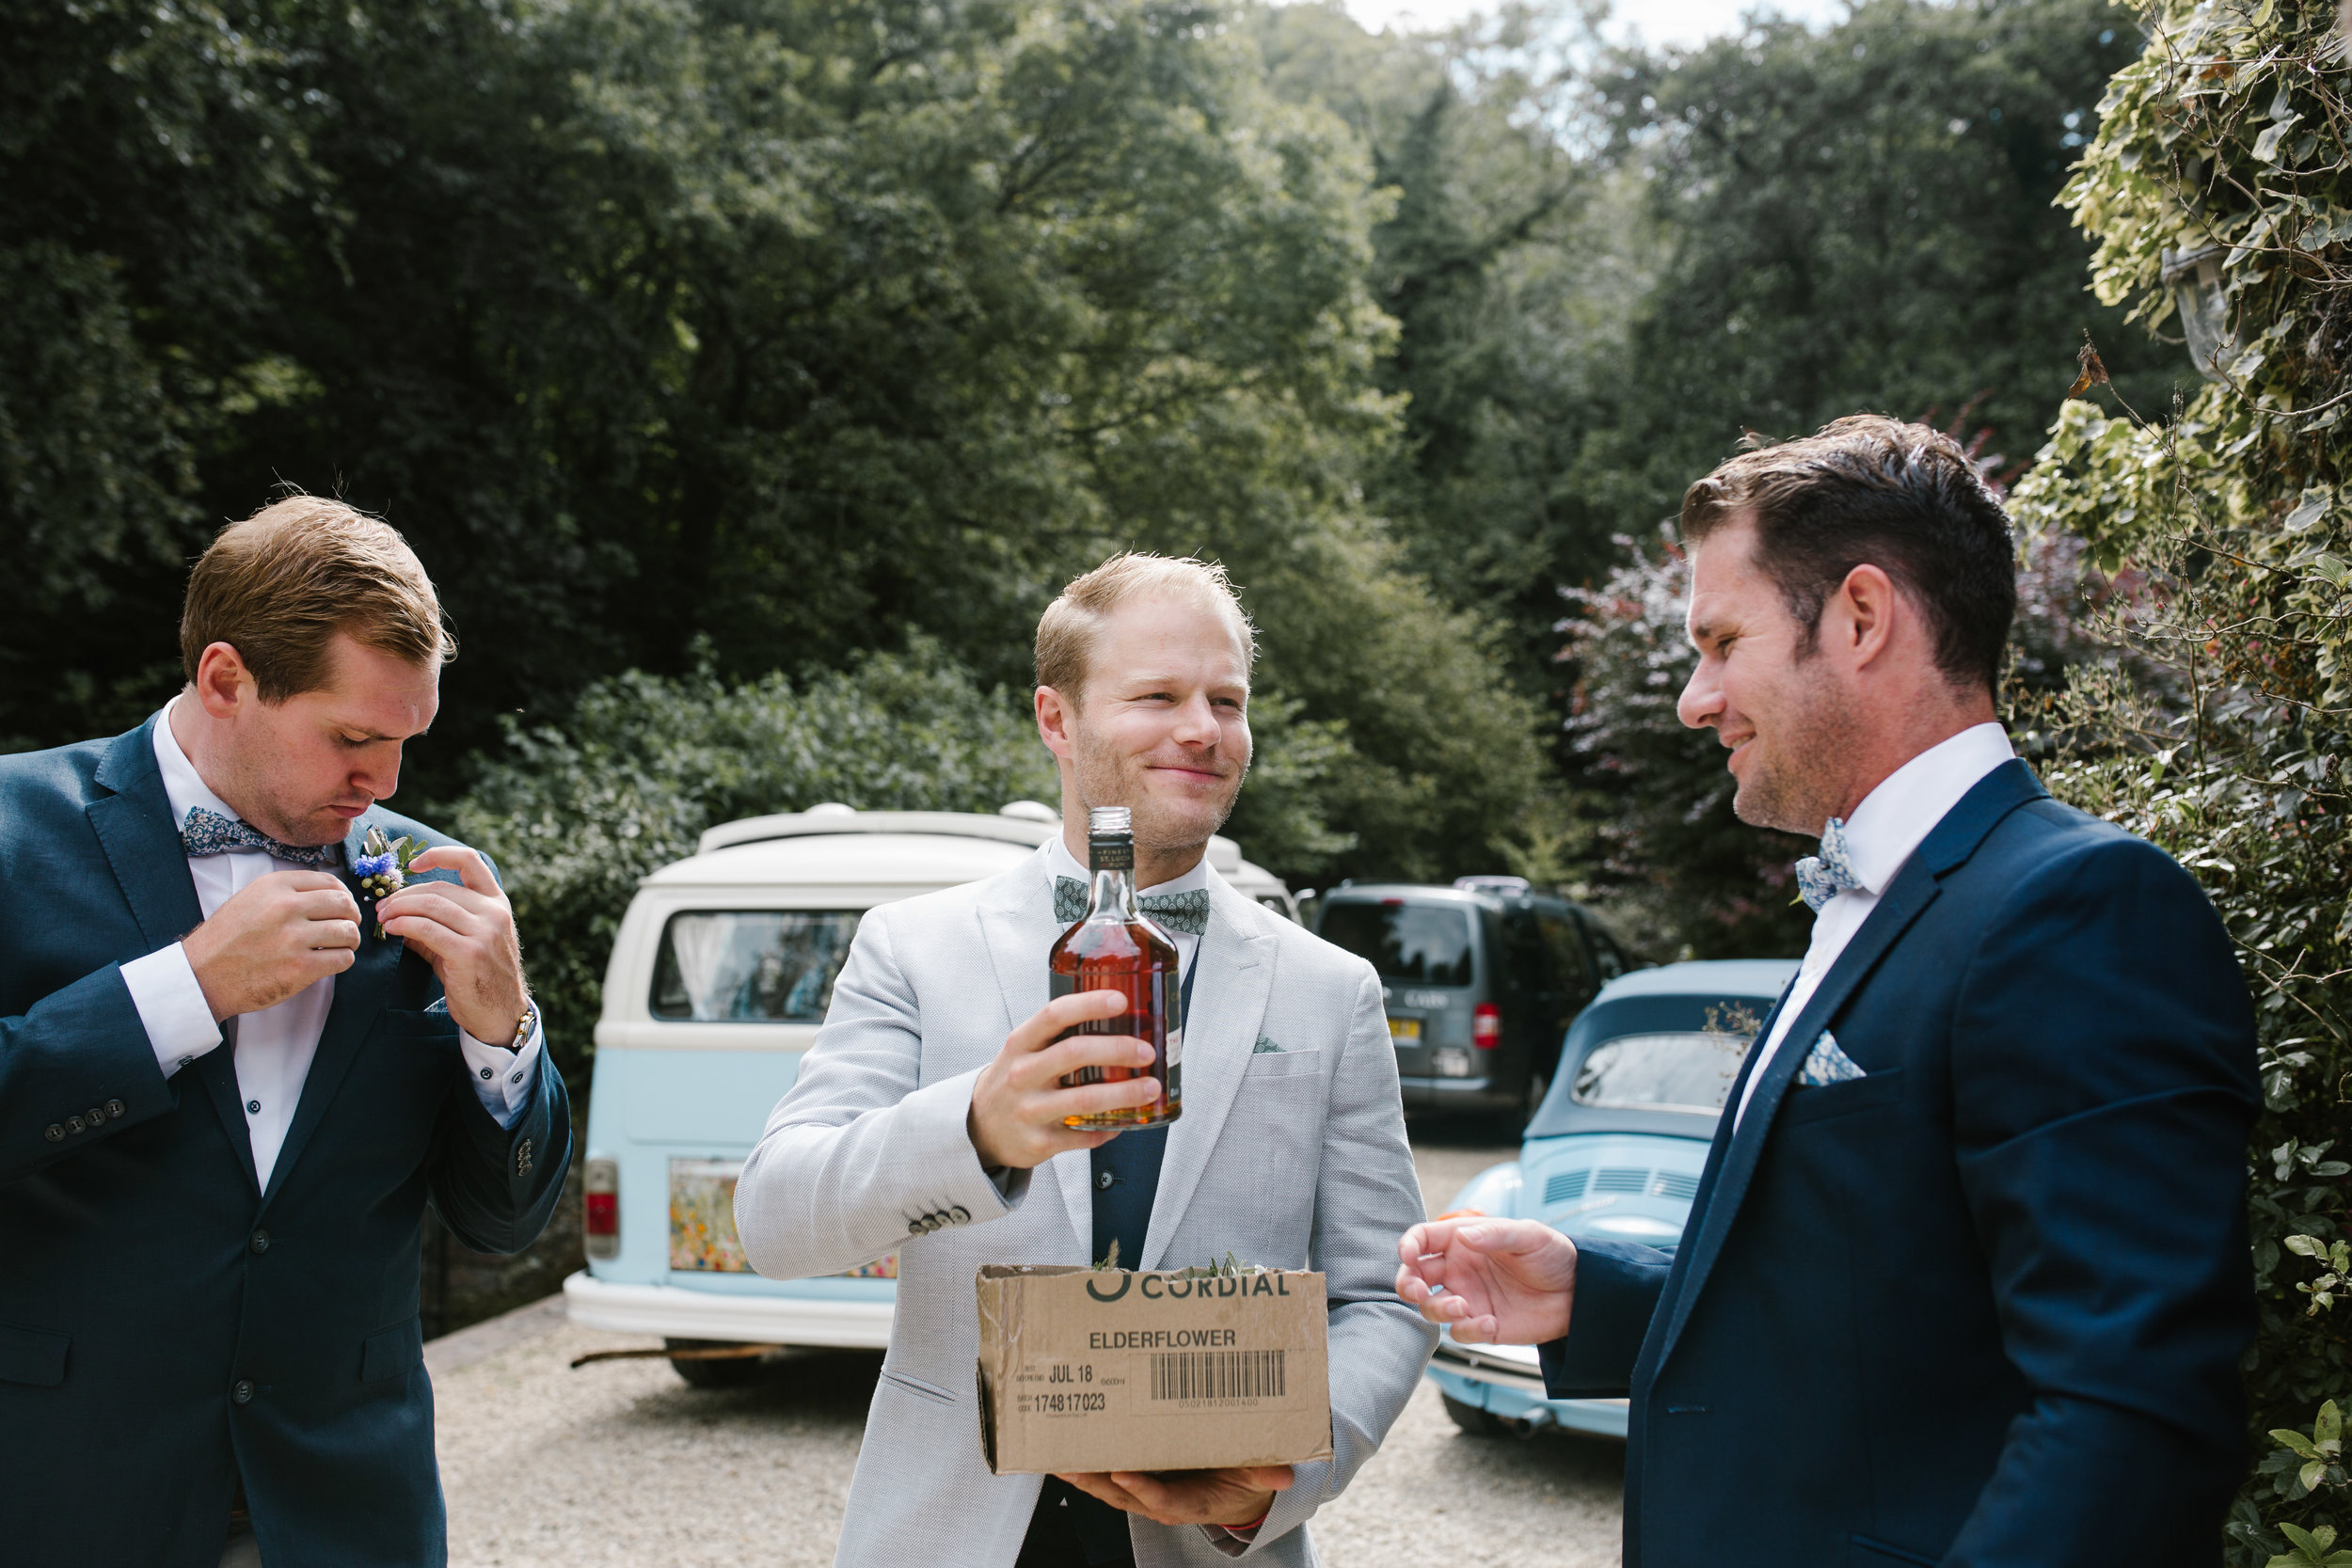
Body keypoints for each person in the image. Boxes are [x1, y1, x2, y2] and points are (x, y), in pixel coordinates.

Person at [1398, 417, 2260, 1566]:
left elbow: (2128, 1415)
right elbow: (1888, 1304)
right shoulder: (1867, 901)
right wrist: (1592, 1292)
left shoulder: (2079, 907)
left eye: (1719, 641)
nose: (1693, 699)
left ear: (1860, 616)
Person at [734, 553, 1434, 1567]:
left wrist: (1275, 1475)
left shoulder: (1331, 988)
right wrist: (971, 1129)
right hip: (948, 1530)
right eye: (1158, 695)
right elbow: (774, 1221)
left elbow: (1381, 1290)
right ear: (1055, 720)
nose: (1203, 727)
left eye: (1226, 700)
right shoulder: (913, 948)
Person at [0, 497, 570, 1567]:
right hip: (58, 1495)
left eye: (406, 741)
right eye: (354, 737)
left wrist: (504, 1028)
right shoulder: (10, 832)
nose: (386, 785)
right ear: (225, 678)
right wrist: (184, 988)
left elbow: (504, 1222)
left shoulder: (433, 876)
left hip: (346, 1512)